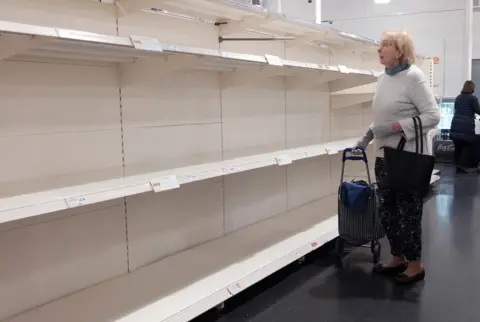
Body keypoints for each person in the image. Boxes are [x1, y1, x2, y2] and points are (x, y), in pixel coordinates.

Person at [354, 30, 440, 284]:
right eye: (380, 45)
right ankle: (397, 257)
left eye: (386, 45)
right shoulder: (383, 79)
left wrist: (394, 128)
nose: (379, 49)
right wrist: (367, 138)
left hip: (407, 159)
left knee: (408, 213)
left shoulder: (414, 77)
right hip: (384, 157)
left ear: (400, 50)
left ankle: (415, 264)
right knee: (388, 212)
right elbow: (381, 117)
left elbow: (433, 116)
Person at [449, 80, 480, 173]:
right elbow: (478, 110)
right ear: (472, 88)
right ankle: (469, 165)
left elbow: (458, 110)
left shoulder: (458, 97)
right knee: (471, 144)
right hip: (465, 126)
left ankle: (458, 166)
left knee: (458, 147)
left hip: (455, 124)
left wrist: (471, 114)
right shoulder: (472, 99)